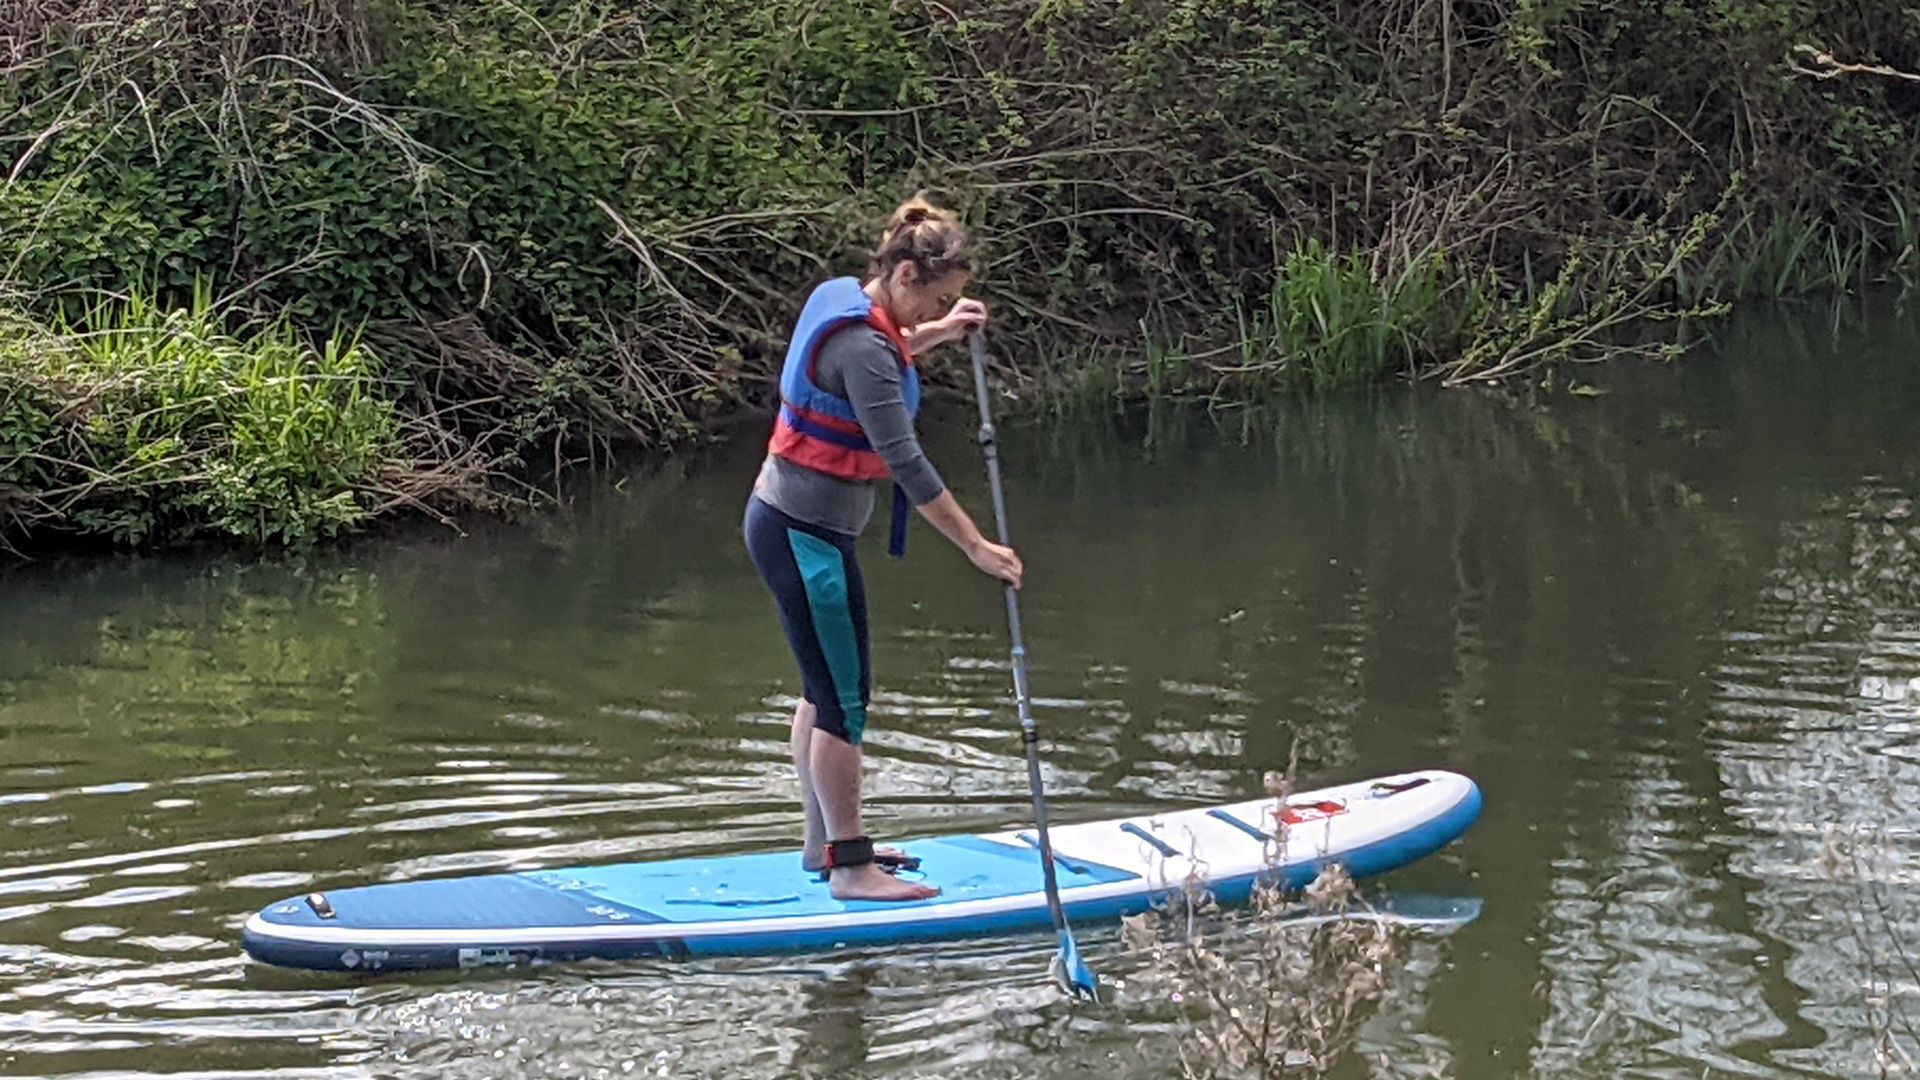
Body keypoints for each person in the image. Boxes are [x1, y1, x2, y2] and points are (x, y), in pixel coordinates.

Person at [744, 196, 1024, 902]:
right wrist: (976, 547)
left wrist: (942, 333)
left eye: (951, 302)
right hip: (806, 537)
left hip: (789, 523)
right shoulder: (867, 346)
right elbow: (905, 460)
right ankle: (848, 869)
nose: (938, 311)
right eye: (938, 299)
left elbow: (874, 360)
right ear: (904, 275)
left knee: (823, 691)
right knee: (844, 703)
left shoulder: (846, 301)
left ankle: (824, 846)